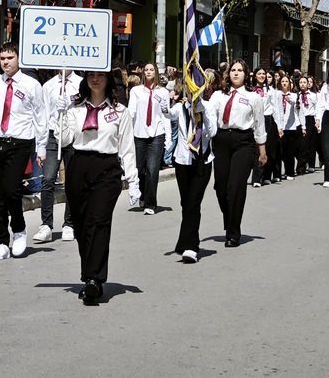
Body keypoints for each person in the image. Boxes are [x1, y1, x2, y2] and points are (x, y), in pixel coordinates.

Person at [58, 71, 139, 303]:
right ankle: (88, 275)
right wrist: (60, 114)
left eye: (100, 75)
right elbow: (65, 139)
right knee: (82, 224)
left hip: (107, 168)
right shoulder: (75, 108)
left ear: (108, 80)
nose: (95, 79)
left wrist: (133, 181)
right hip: (79, 165)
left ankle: (95, 279)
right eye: (91, 75)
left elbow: (127, 147)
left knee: (99, 221)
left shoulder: (120, 111)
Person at [0, 43, 47, 261]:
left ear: (18, 59)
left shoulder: (31, 84)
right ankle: (2, 241)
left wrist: (41, 147)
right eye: (2, 58)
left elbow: (40, 117)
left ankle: (19, 230)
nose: (5, 62)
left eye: (10, 58)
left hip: (20, 143)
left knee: (12, 189)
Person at [211, 60, 266, 248]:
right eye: (233, 70)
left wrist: (262, 151)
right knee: (221, 187)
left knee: (236, 187)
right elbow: (209, 115)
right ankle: (230, 219)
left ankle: (233, 232)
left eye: (240, 70)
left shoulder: (253, 97)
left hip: (243, 142)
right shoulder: (218, 95)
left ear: (246, 74)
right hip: (221, 140)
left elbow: (259, 124)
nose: (236, 73)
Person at [167, 86, 216, 263]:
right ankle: (184, 241)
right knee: (186, 203)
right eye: (190, 89)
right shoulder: (180, 108)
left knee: (193, 203)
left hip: (202, 161)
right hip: (183, 161)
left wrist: (202, 111)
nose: (193, 93)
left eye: (196, 89)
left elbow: (212, 132)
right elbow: (167, 114)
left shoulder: (208, 107)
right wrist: (165, 99)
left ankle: (191, 247)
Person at [34, 70, 82, 244]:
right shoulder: (49, 85)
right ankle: (46, 225)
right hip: (53, 135)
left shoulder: (81, 83)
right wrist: (40, 146)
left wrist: (72, 101)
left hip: (74, 135)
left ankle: (69, 223)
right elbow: (43, 115)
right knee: (48, 178)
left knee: (72, 180)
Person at [127, 63, 170, 215]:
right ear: (143, 73)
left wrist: (168, 137)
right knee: (140, 169)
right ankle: (143, 195)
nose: (149, 72)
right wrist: (127, 132)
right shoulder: (136, 91)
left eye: (152, 69)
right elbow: (131, 112)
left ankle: (150, 204)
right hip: (139, 133)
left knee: (153, 169)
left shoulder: (163, 92)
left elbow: (165, 115)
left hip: (157, 133)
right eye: (146, 70)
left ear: (156, 72)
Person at [274, 75, 304, 181]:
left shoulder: (294, 96)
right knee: (280, 151)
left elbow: (298, 108)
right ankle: (277, 174)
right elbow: (275, 109)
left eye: (286, 81)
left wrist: (291, 100)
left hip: (291, 126)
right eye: (282, 81)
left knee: (290, 151)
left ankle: (290, 172)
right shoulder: (277, 94)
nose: (284, 83)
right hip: (279, 126)